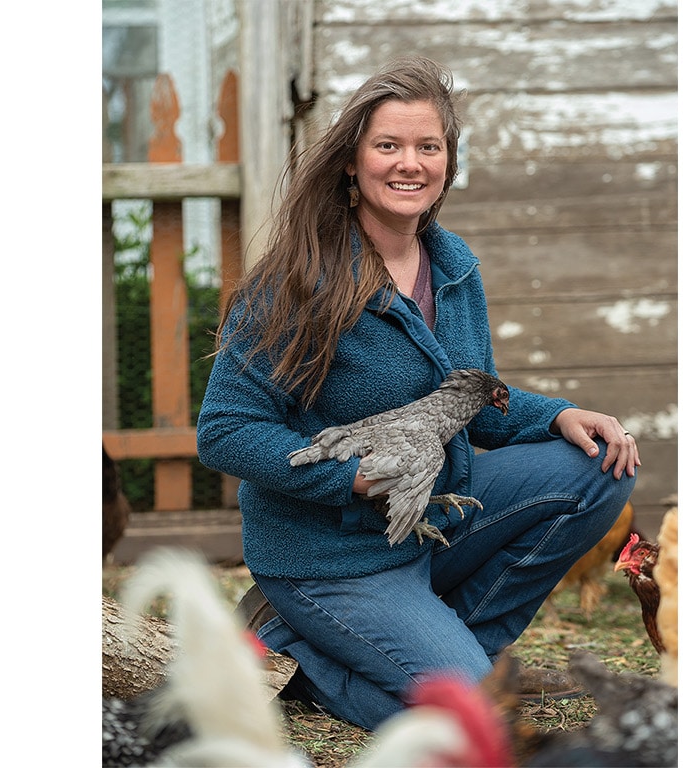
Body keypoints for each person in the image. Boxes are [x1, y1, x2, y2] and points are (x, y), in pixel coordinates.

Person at [196, 56, 638, 731]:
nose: (411, 163)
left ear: (447, 162)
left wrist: (559, 415)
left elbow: (469, 406)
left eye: (428, 147)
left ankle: (444, 642)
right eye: (389, 145)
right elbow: (226, 431)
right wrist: (355, 479)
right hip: (331, 561)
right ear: (353, 160)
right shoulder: (296, 282)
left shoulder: (453, 266)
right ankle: (302, 658)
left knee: (593, 469)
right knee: (475, 720)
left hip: (431, 527)